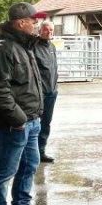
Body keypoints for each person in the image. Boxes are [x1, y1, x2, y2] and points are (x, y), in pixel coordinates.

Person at [0, 2, 50, 205]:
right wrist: (18, 118)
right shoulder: (2, 49)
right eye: (33, 20)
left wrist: (34, 116)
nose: (37, 24)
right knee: (3, 174)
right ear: (21, 22)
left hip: (31, 120)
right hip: (13, 124)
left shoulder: (25, 46)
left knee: (28, 167)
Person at [33, 21, 60, 164]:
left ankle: (41, 151)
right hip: (38, 93)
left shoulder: (52, 47)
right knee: (33, 124)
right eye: (46, 29)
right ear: (40, 31)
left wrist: (55, 87)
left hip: (51, 92)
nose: (49, 32)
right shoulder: (33, 47)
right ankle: (31, 153)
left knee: (46, 123)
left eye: (51, 30)